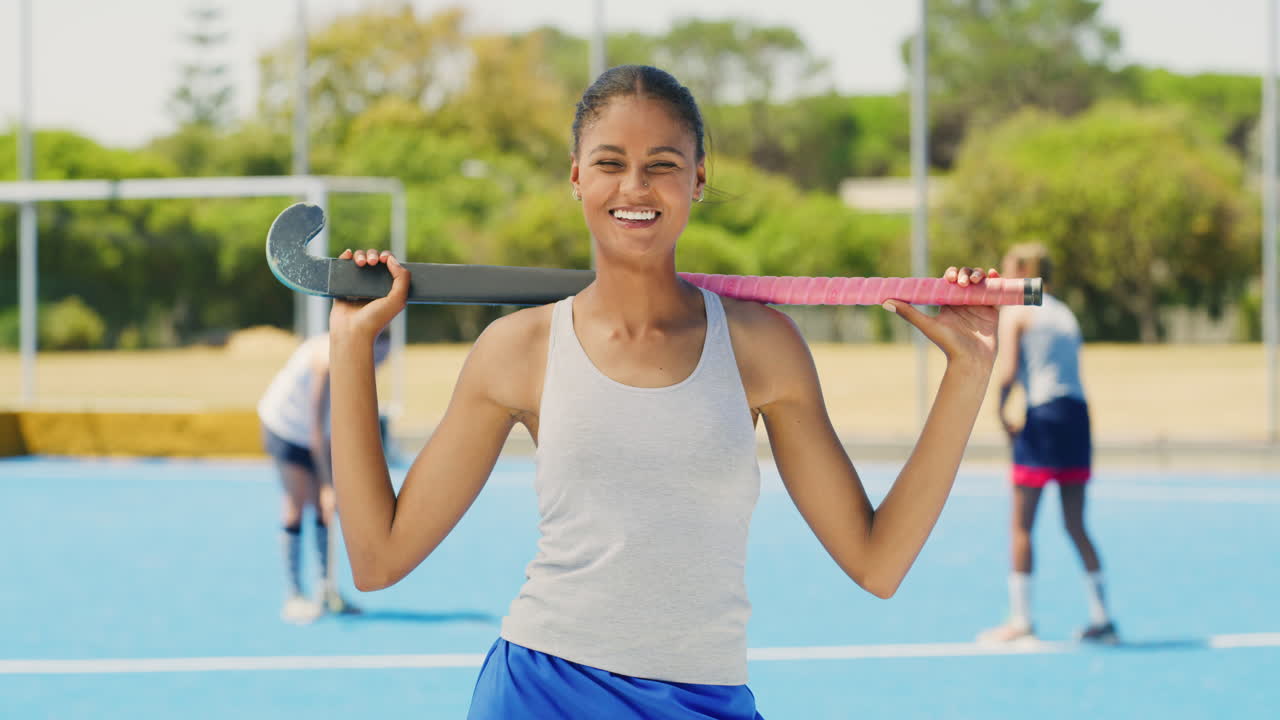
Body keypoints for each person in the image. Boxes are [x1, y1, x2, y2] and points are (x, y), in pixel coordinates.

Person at [327, 65, 1000, 718]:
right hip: (542, 694)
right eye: (610, 162)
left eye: (663, 164)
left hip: (703, 699)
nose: (635, 186)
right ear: (576, 177)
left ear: (698, 178)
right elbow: (378, 558)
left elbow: (877, 563)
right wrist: (351, 347)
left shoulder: (762, 347)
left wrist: (968, 371)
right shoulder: (518, 350)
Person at [978, 243, 1117, 644]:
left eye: (1006, 266)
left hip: (1043, 416)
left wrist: (1002, 415)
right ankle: (1104, 618)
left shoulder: (1018, 310)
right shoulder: (1062, 311)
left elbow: (1007, 374)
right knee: (1076, 524)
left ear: (1022, 270)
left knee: (1021, 524)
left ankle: (1021, 621)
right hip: (1077, 417)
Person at [257, 328, 391, 623]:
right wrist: (330, 485)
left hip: (314, 434)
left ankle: (326, 589)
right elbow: (316, 429)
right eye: (377, 359)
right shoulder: (326, 360)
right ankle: (293, 595)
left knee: (324, 510)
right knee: (297, 504)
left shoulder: (354, 359)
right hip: (287, 428)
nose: (378, 366)